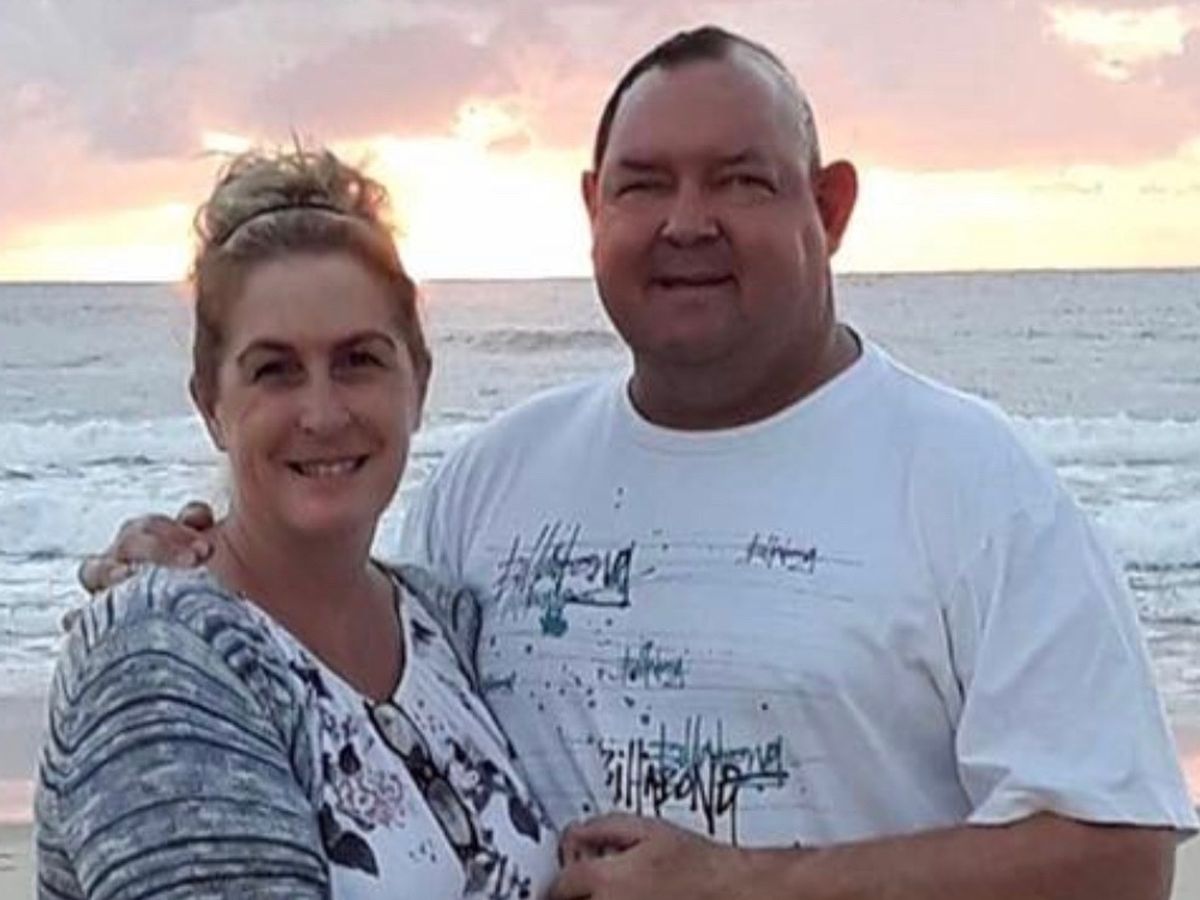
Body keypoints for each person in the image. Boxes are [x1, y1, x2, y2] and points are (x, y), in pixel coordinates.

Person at [79, 26, 1196, 900]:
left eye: (741, 181)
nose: (686, 223)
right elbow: (339, 675)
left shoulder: (973, 484)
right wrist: (191, 582)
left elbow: (1119, 858)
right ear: (593, 207)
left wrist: (747, 886)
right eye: (645, 183)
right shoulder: (494, 483)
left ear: (830, 207)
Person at [37, 147, 557, 899]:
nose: (322, 413)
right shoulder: (159, 661)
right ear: (210, 404)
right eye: (274, 370)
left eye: (358, 361)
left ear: (418, 383)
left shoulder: (445, 626)